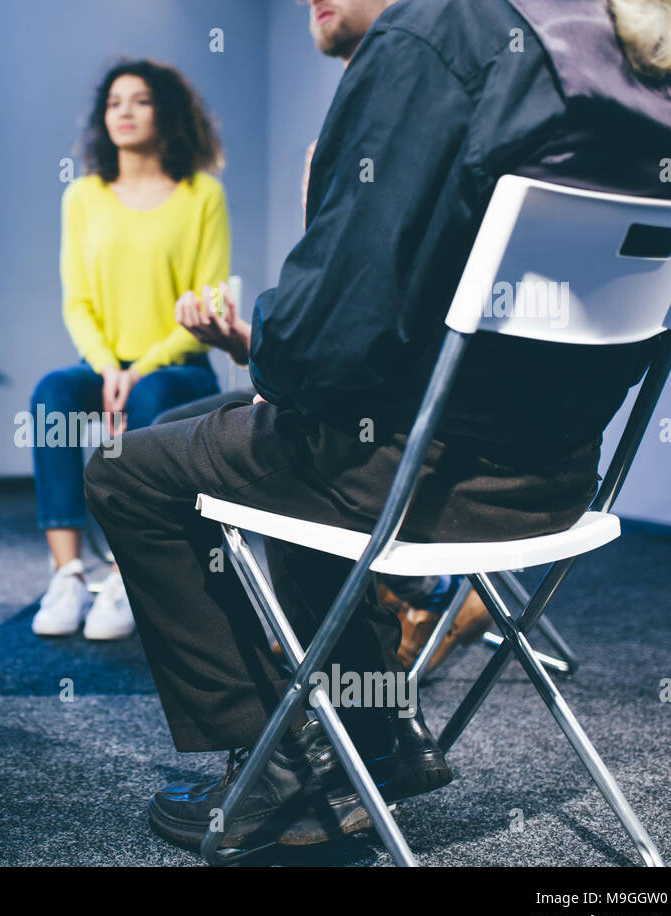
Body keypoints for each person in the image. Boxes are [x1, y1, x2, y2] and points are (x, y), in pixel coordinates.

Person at [85, 0, 671, 853]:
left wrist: (262, 342)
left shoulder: (441, 36)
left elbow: (329, 337)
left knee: (129, 466)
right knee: (266, 427)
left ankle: (288, 773)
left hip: (410, 481)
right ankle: (376, 733)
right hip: (557, 484)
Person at [161, 0, 493, 675]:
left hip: (428, 450)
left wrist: (276, 375)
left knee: (143, 468)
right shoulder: (376, 127)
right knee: (230, 420)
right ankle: (370, 661)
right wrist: (245, 344)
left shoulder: (412, 122)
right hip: (543, 467)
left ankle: (301, 722)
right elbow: (361, 324)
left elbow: (358, 346)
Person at [31, 59, 228, 641]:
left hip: (178, 370)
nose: (124, 110)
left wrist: (139, 369)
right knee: (53, 394)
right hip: (107, 365)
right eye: (115, 101)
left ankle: (124, 573)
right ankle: (67, 572)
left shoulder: (201, 196)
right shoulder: (83, 197)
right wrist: (108, 367)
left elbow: (208, 303)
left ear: (165, 112)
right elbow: (77, 301)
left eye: (140, 100)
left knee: (155, 396)